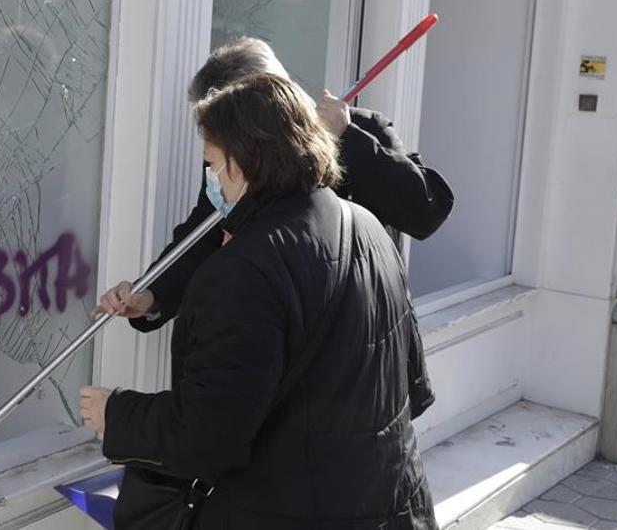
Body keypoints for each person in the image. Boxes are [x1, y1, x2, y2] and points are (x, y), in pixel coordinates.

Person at [78, 72, 437, 528]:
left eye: (211, 162)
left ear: (240, 163)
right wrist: (153, 296)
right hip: (388, 501)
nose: (210, 179)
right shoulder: (365, 225)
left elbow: (209, 433)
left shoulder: (245, 269)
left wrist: (117, 414)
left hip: (295, 508)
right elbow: (412, 381)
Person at [107, 37, 452, 337]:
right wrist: (151, 295)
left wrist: (348, 140)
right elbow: (202, 235)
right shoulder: (230, 157)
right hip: (290, 356)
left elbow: (426, 211)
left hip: (365, 350)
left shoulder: (361, 132)